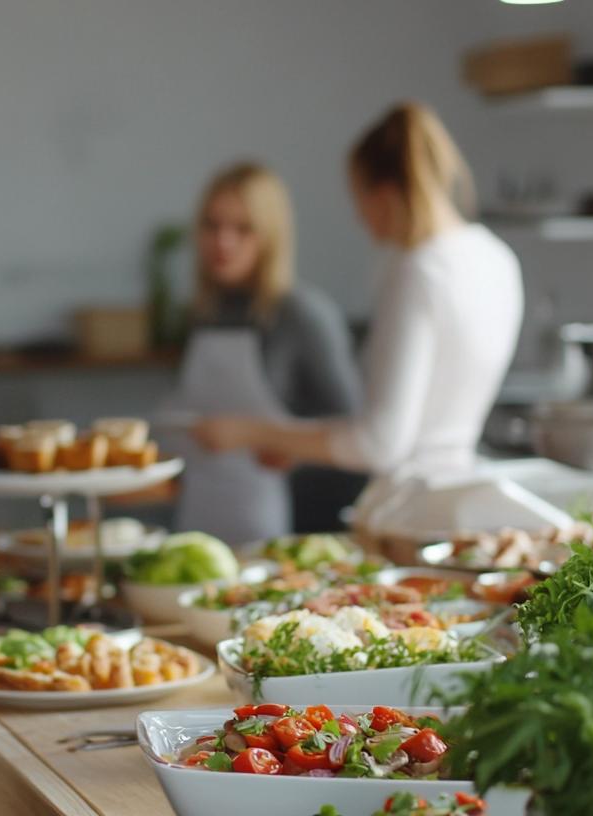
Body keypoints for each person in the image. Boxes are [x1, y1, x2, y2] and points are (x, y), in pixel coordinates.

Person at [193, 102, 524, 532]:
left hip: (410, 513)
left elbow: (379, 442)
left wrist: (253, 433)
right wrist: (298, 446)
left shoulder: (418, 271)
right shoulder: (496, 257)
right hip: (460, 500)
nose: (359, 217)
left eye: (359, 199)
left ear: (383, 195)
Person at [169, 162, 361, 545]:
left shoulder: (301, 314)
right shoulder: (200, 314)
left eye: (242, 229)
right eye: (212, 225)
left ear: (270, 236)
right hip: (201, 509)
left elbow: (355, 429)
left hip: (279, 520)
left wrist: (296, 453)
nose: (223, 241)